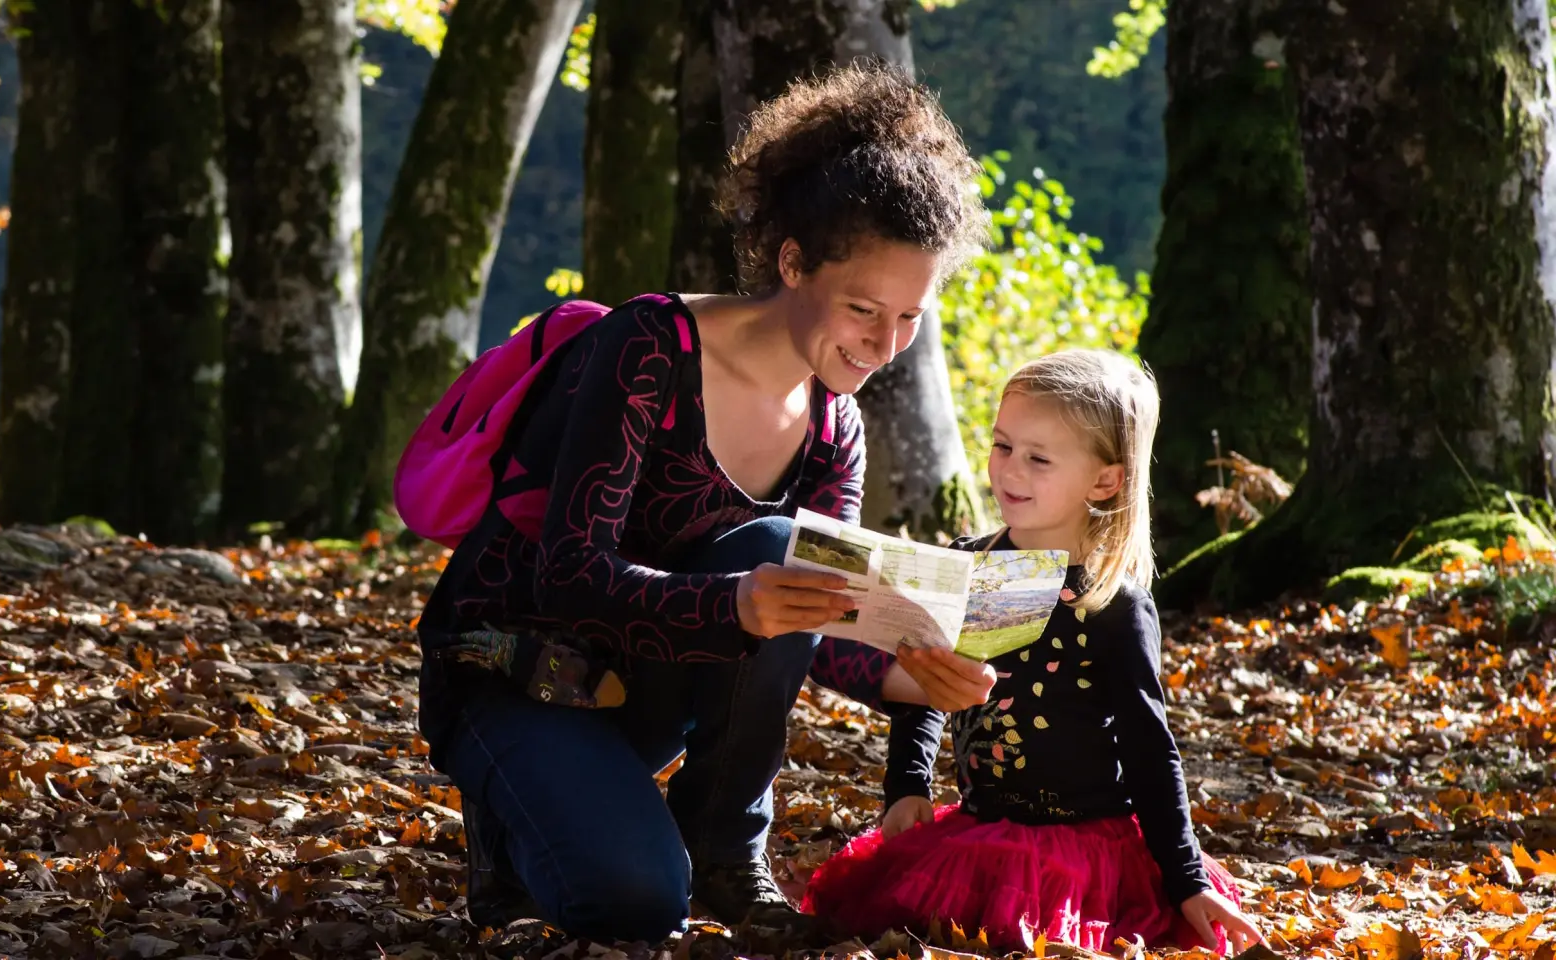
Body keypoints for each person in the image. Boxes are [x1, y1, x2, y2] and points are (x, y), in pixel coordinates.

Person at [413, 61, 996, 942]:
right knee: (634, 904)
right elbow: (569, 574)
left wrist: (918, 676)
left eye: (910, 318)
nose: (885, 345)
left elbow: (815, 620)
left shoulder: (835, 428)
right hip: (512, 674)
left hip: (643, 696)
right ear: (792, 262)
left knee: (789, 553)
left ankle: (725, 854)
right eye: (863, 309)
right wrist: (734, 603)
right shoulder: (647, 347)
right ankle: (511, 823)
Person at [801, 351, 1267, 955]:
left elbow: (1150, 750)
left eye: (1038, 458)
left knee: (1028, 940)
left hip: (1082, 851)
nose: (1009, 469)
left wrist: (1186, 880)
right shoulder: (975, 565)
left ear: (1105, 481)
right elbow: (928, 680)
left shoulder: (1110, 604)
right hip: (978, 830)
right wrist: (908, 784)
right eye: (1002, 446)